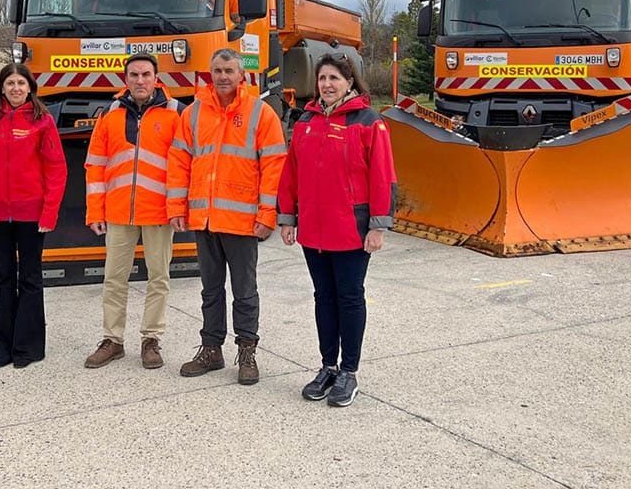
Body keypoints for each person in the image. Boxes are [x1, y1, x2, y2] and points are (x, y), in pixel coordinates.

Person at [277, 53, 396, 407]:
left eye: (334, 78)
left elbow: (383, 177)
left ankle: (349, 372)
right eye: (322, 78)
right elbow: (291, 175)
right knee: (323, 298)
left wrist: (377, 226)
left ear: (350, 82)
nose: (327, 85)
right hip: (313, 231)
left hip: (351, 230)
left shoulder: (369, 123)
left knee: (349, 298)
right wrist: (287, 217)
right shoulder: (305, 124)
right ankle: (328, 366)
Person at [167, 48, 286, 385]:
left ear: (242, 75)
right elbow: (179, 163)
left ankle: (247, 351)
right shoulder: (192, 114)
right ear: (210, 74)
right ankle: (211, 348)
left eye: (229, 70)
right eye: (217, 70)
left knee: (244, 291)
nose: (222, 76)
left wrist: (267, 214)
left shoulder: (260, 114)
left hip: (243, 222)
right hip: (204, 220)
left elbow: (274, 166)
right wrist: (177, 207)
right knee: (210, 290)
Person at [83, 53, 184, 370]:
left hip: (158, 213)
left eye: (146, 74)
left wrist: (177, 208)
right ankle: (113, 340)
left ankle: (151, 340)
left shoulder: (175, 113)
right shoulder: (109, 115)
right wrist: (95, 212)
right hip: (117, 213)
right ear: (125, 79)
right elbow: (95, 166)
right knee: (114, 279)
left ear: (157, 78)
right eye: (134, 75)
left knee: (159, 279)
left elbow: (182, 167)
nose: (140, 80)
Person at [0, 63, 67, 368]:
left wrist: (49, 212)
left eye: (20, 84)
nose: (15, 89)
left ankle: (29, 348)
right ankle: (4, 348)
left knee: (30, 279)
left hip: (31, 215)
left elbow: (56, 169)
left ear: (30, 88)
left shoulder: (43, 122)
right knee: (3, 278)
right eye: (9, 83)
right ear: (1, 87)